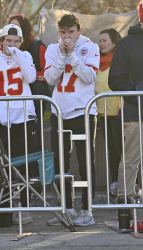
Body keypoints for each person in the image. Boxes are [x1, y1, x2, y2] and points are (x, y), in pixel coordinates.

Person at [44, 14, 99, 226]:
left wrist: (73, 55)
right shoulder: (52, 48)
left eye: (71, 32)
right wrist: (61, 55)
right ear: (59, 32)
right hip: (60, 112)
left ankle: (87, 210)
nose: (67, 36)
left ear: (79, 31)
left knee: (86, 161)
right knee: (61, 164)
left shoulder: (90, 47)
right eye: (63, 32)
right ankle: (66, 209)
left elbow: (88, 77)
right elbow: (49, 79)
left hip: (82, 111)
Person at [0, 24, 36, 225]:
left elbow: (30, 77)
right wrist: (1, 115)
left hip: (24, 118)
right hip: (3, 120)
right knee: (5, 165)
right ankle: (7, 207)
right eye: (8, 41)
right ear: (1, 41)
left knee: (25, 164)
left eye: (16, 41)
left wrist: (18, 55)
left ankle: (25, 207)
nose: (11, 45)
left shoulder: (25, 56)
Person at [108, 0, 143, 204]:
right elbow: (115, 80)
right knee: (130, 160)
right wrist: (140, 96)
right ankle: (125, 203)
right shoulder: (126, 44)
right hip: (137, 112)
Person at [9, 14, 50, 154]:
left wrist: (30, 75)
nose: (14, 30)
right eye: (11, 26)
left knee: (34, 137)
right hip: (13, 101)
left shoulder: (37, 46)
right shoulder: (3, 50)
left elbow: (48, 73)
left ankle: (34, 172)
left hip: (34, 100)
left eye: (17, 27)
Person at [95, 28, 122, 196]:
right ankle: (115, 182)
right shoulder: (96, 61)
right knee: (111, 151)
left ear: (114, 42)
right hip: (103, 115)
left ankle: (132, 183)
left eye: (105, 40)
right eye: (100, 41)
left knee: (122, 150)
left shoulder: (120, 61)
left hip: (119, 114)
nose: (101, 44)